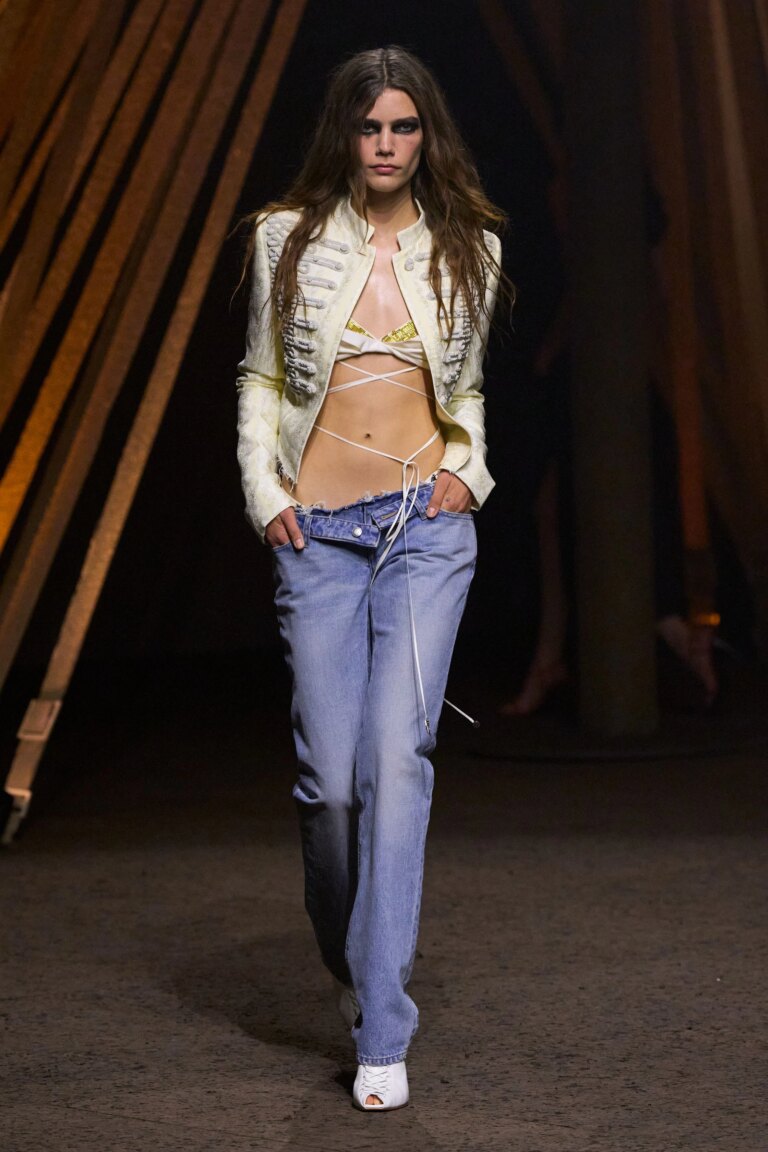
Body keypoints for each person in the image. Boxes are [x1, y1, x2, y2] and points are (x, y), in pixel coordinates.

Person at [236, 46, 508, 1110]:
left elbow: (466, 391)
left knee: (399, 761)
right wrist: (265, 494)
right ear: (344, 135)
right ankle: (355, 960)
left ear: (426, 134)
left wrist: (467, 475)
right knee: (330, 784)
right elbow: (261, 375)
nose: (386, 145)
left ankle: (383, 1026)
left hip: (424, 530)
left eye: (403, 126)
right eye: (369, 127)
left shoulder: (471, 245)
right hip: (317, 532)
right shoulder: (285, 237)